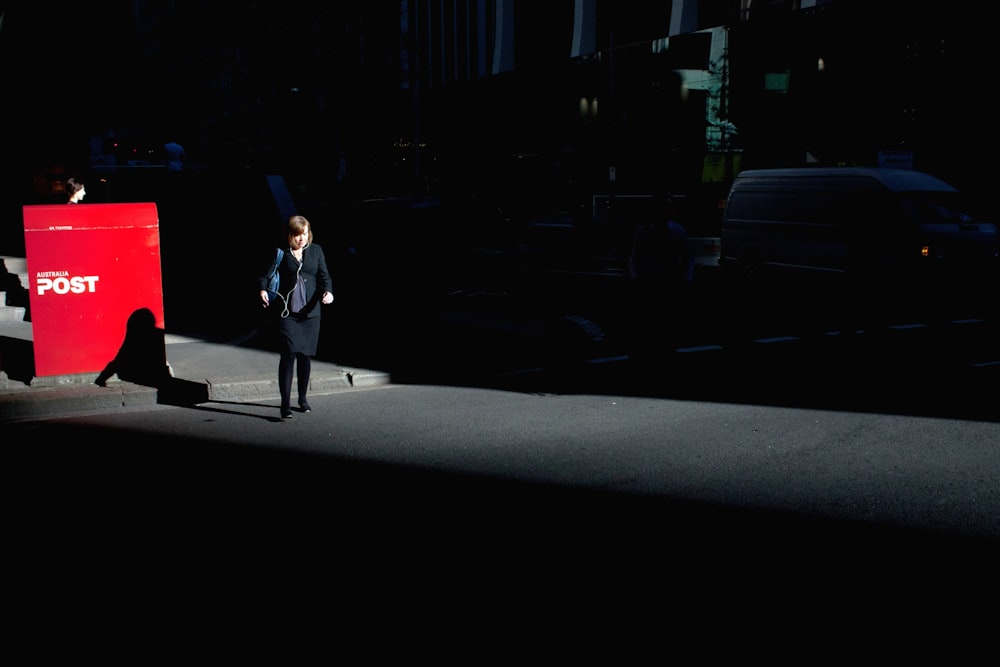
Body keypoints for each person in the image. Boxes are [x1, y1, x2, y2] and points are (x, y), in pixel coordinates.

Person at [258, 215, 334, 419]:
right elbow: (265, 275)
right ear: (290, 235)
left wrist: (328, 292)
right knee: (289, 354)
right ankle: (285, 404)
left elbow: (324, 276)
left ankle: (302, 399)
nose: (302, 238)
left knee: (305, 356)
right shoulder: (280, 253)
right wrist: (263, 290)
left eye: (305, 233)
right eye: (298, 235)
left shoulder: (316, 251)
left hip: (310, 313)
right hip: (287, 312)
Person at [626, 194, 695, 373]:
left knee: (661, 318)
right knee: (653, 319)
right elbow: (635, 256)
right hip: (653, 280)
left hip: (663, 279)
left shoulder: (670, 231)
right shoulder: (651, 231)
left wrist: (686, 279)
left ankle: (660, 353)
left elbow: (687, 257)